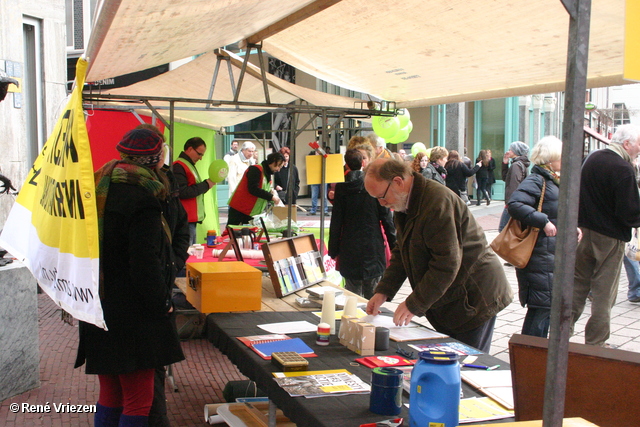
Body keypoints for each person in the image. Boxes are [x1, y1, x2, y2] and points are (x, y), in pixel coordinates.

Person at [75, 129, 185, 426]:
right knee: (138, 400)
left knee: (110, 394)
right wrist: (162, 304)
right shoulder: (144, 198)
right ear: (157, 158)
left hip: (99, 304)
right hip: (132, 312)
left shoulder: (100, 184)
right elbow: (145, 263)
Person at [363, 158, 512, 352]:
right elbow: (402, 251)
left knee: (465, 365)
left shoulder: (435, 202)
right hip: (455, 296)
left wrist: (413, 304)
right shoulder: (404, 200)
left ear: (398, 181)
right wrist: (383, 291)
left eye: (381, 196)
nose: (382, 204)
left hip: (475, 296)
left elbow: (447, 263)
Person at [571, 124, 640, 347]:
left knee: (577, 286)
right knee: (604, 292)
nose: (639, 148)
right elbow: (629, 211)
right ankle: (596, 342)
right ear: (627, 143)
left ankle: (561, 334)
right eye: (638, 143)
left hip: (583, 231)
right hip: (609, 237)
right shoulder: (623, 168)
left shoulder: (593, 158)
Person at [508, 136, 582, 338]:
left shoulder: (552, 180)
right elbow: (515, 204)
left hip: (549, 255)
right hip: (540, 256)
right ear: (550, 159)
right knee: (541, 309)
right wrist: (544, 221)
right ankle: (529, 356)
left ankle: (533, 355)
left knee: (545, 308)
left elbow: (556, 210)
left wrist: (570, 227)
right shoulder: (538, 180)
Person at [329, 149, 396, 299]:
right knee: (373, 294)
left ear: (346, 165)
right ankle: (371, 320)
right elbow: (386, 218)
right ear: (363, 163)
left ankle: (353, 320)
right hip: (373, 245)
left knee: (352, 295)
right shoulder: (373, 185)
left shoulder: (341, 187)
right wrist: (394, 246)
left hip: (349, 246)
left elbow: (336, 221)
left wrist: (333, 249)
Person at [172, 137, 215, 244]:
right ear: (190, 149)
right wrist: (206, 185)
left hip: (190, 219)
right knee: (188, 253)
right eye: (199, 154)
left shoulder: (187, 165)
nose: (200, 158)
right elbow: (182, 191)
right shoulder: (179, 166)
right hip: (185, 219)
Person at [227, 152, 285, 226]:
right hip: (240, 208)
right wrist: (271, 197)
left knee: (248, 234)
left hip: (252, 211)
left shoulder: (267, 174)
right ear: (273, 162)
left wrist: (271, 192)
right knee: (233, 232)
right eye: (279, 166)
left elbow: (262, 188)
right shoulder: (256, 169)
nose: (278, 169)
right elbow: (253, 189)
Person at [500, 141, 531, 232]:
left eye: (510, 150)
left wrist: (509, 203)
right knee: (510, 229)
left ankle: (508, 246)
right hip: (516, 201)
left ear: (515, 151)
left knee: (503, 229)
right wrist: (505, 163)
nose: (508, 151)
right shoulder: (519, 164)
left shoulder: (516, 165)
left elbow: (514, 184)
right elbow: (506, 178)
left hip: (513, 202)